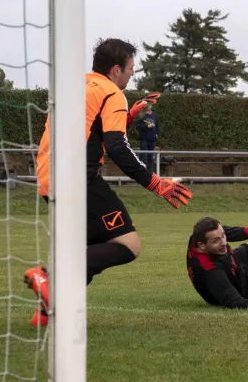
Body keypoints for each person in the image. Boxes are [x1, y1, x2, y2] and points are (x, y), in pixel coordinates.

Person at [24, 38, 193, 326]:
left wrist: (126, 118)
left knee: (94, 248)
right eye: (131, 69)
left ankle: (45, 314)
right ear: (116, 69)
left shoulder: (77, 86)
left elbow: (89, 131)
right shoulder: (112, 94)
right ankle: (47, 275)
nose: (132, 75)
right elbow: (117, 147)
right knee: (127, 244)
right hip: (77, 178)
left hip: (48, 176)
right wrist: (156, 183)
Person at [136, 104, 160, 172]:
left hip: (152, 139)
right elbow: (138, 126)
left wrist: (156, 133)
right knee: (143, 156)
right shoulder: (141, 115)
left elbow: (157, 126)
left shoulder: (154, 115)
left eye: (150, 106)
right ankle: (141, 172)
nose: (149, 107)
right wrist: (146, 126)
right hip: (144, 139)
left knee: (150, 156)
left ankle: (150, 172)